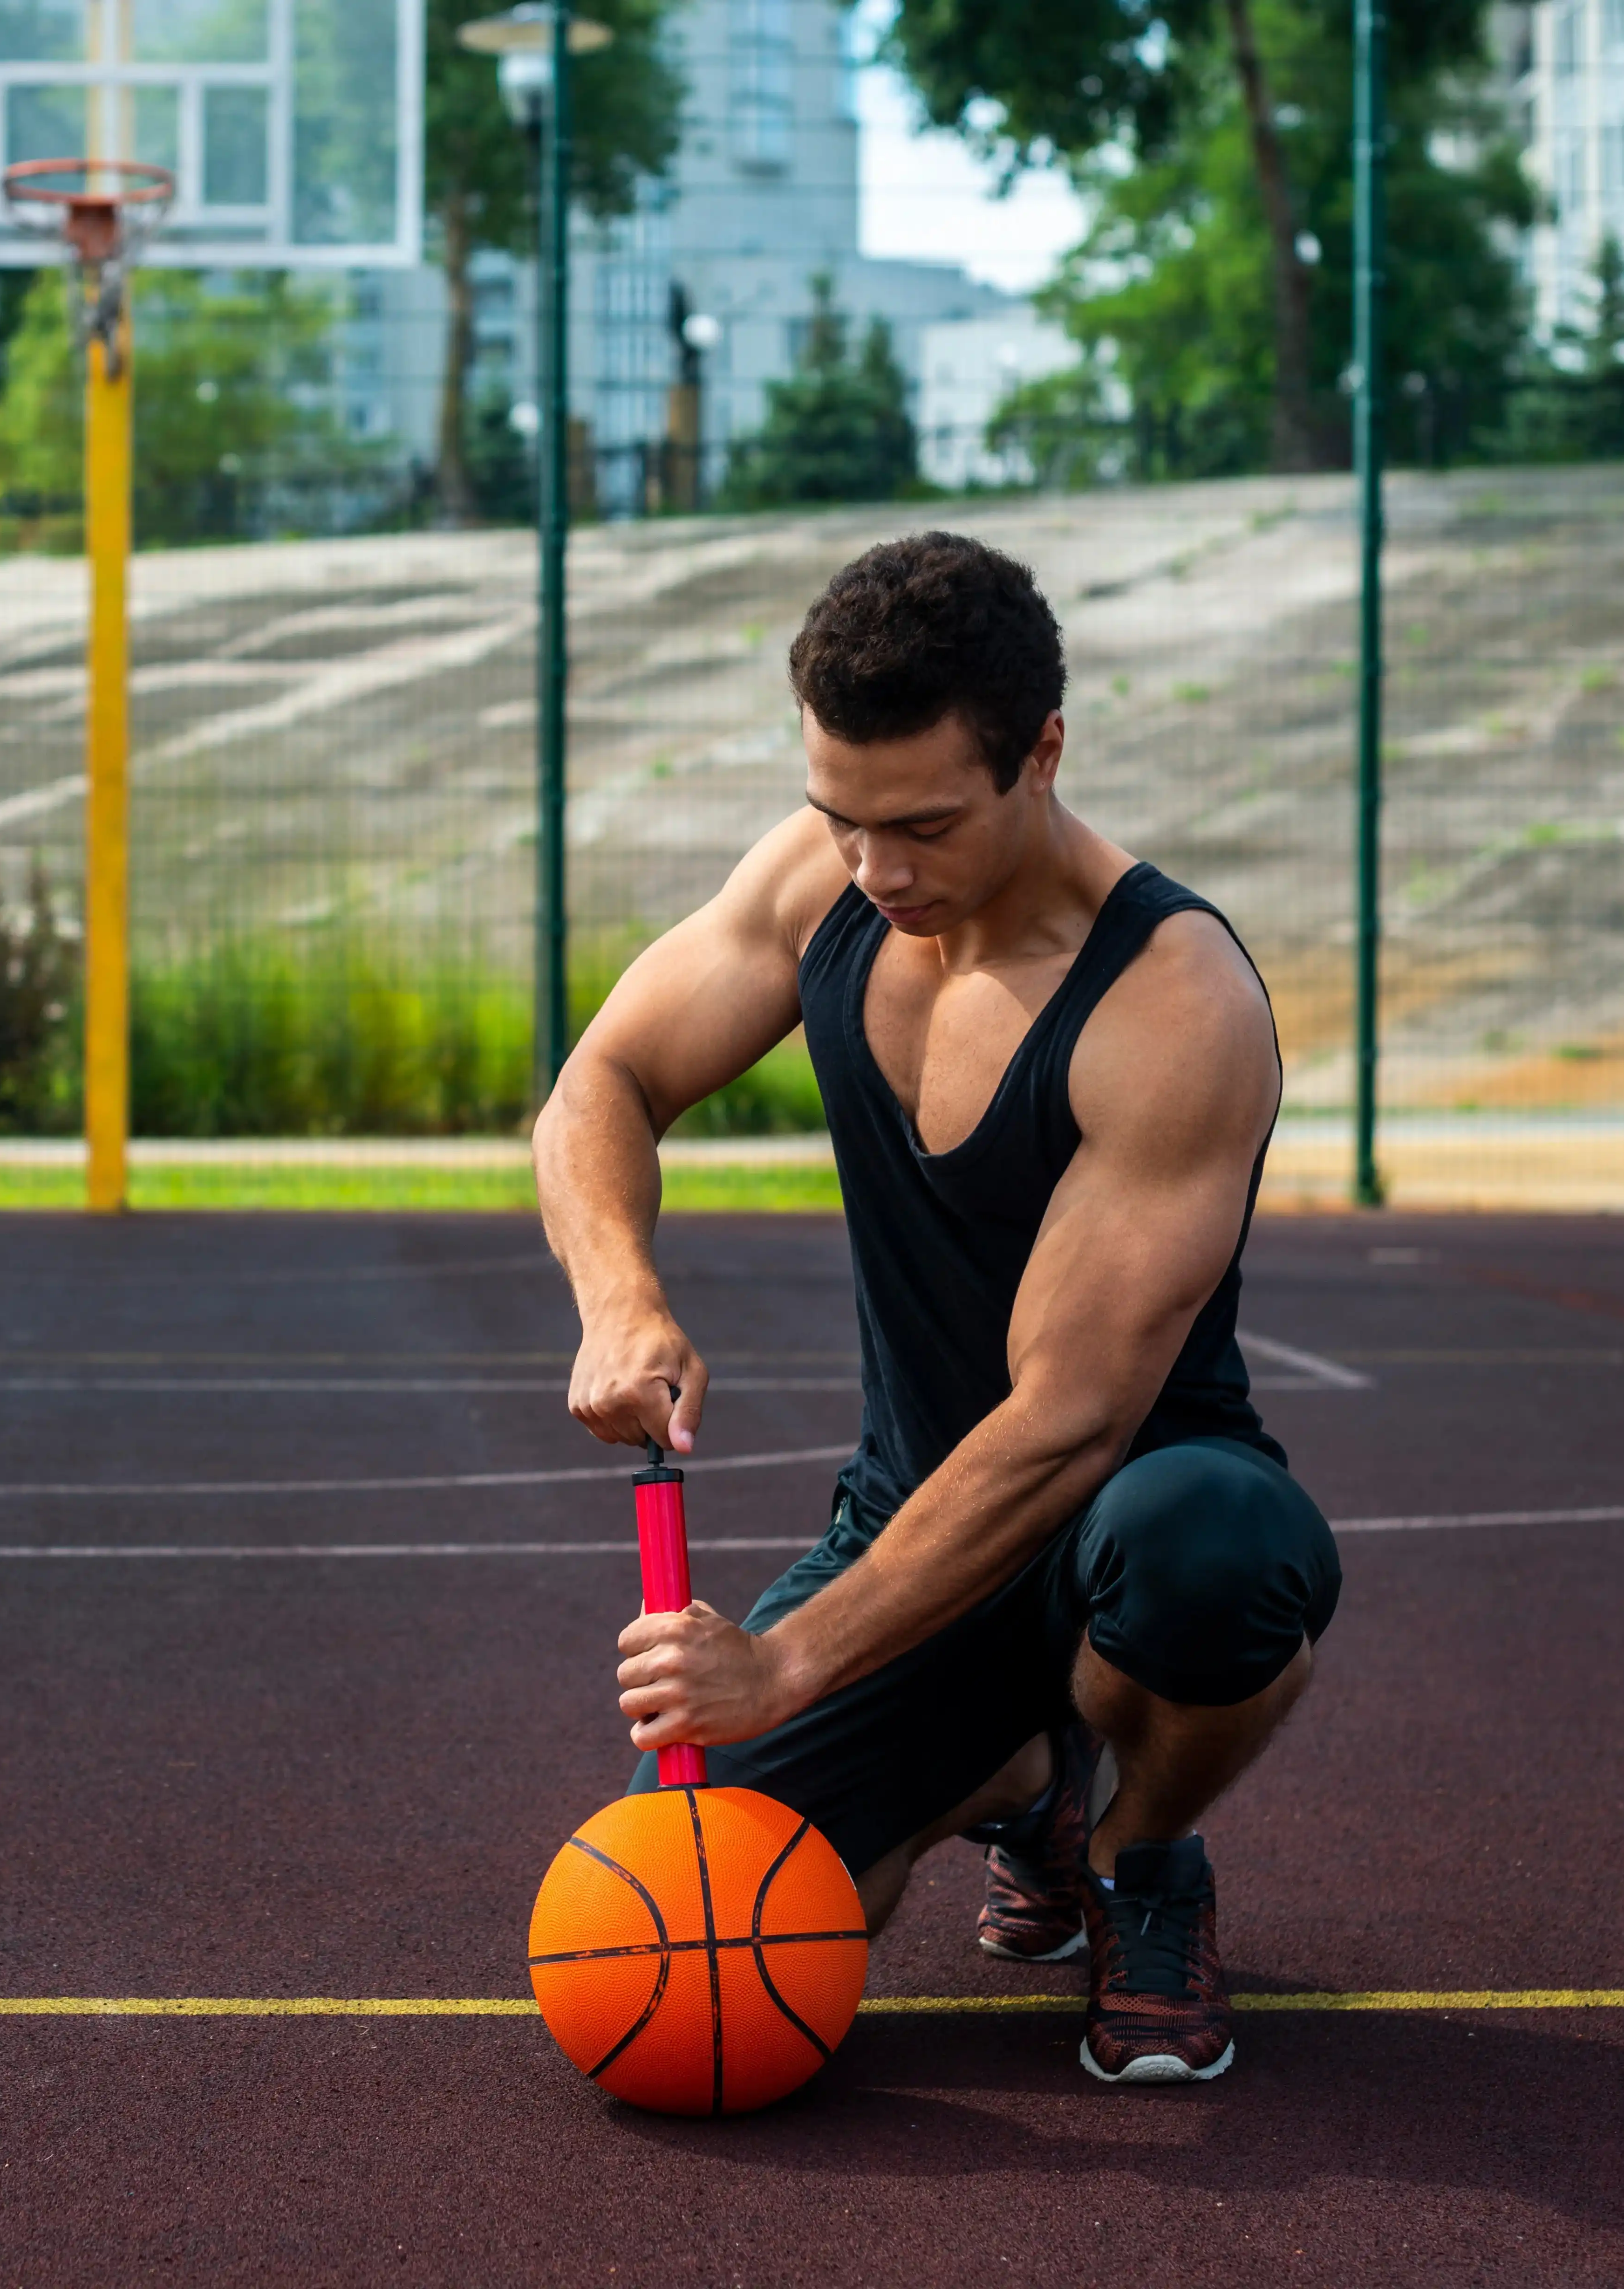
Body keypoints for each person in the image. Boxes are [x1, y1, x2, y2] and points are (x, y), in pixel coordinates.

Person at [532, 532, 1340, 2087]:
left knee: (1207, 1560)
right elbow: (602, 1083)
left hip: (1126, 1497)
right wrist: (616, 1297)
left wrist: (783, 1663)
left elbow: (1064, 1423)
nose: (876, 871)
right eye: (841, 819)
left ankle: (1137, 1854)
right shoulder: (822, 880)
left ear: (1040, 751)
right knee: (691, 1926)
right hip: (906, 1521)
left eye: (920, 826)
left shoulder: (1171, 1001)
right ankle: (1021, 1776)